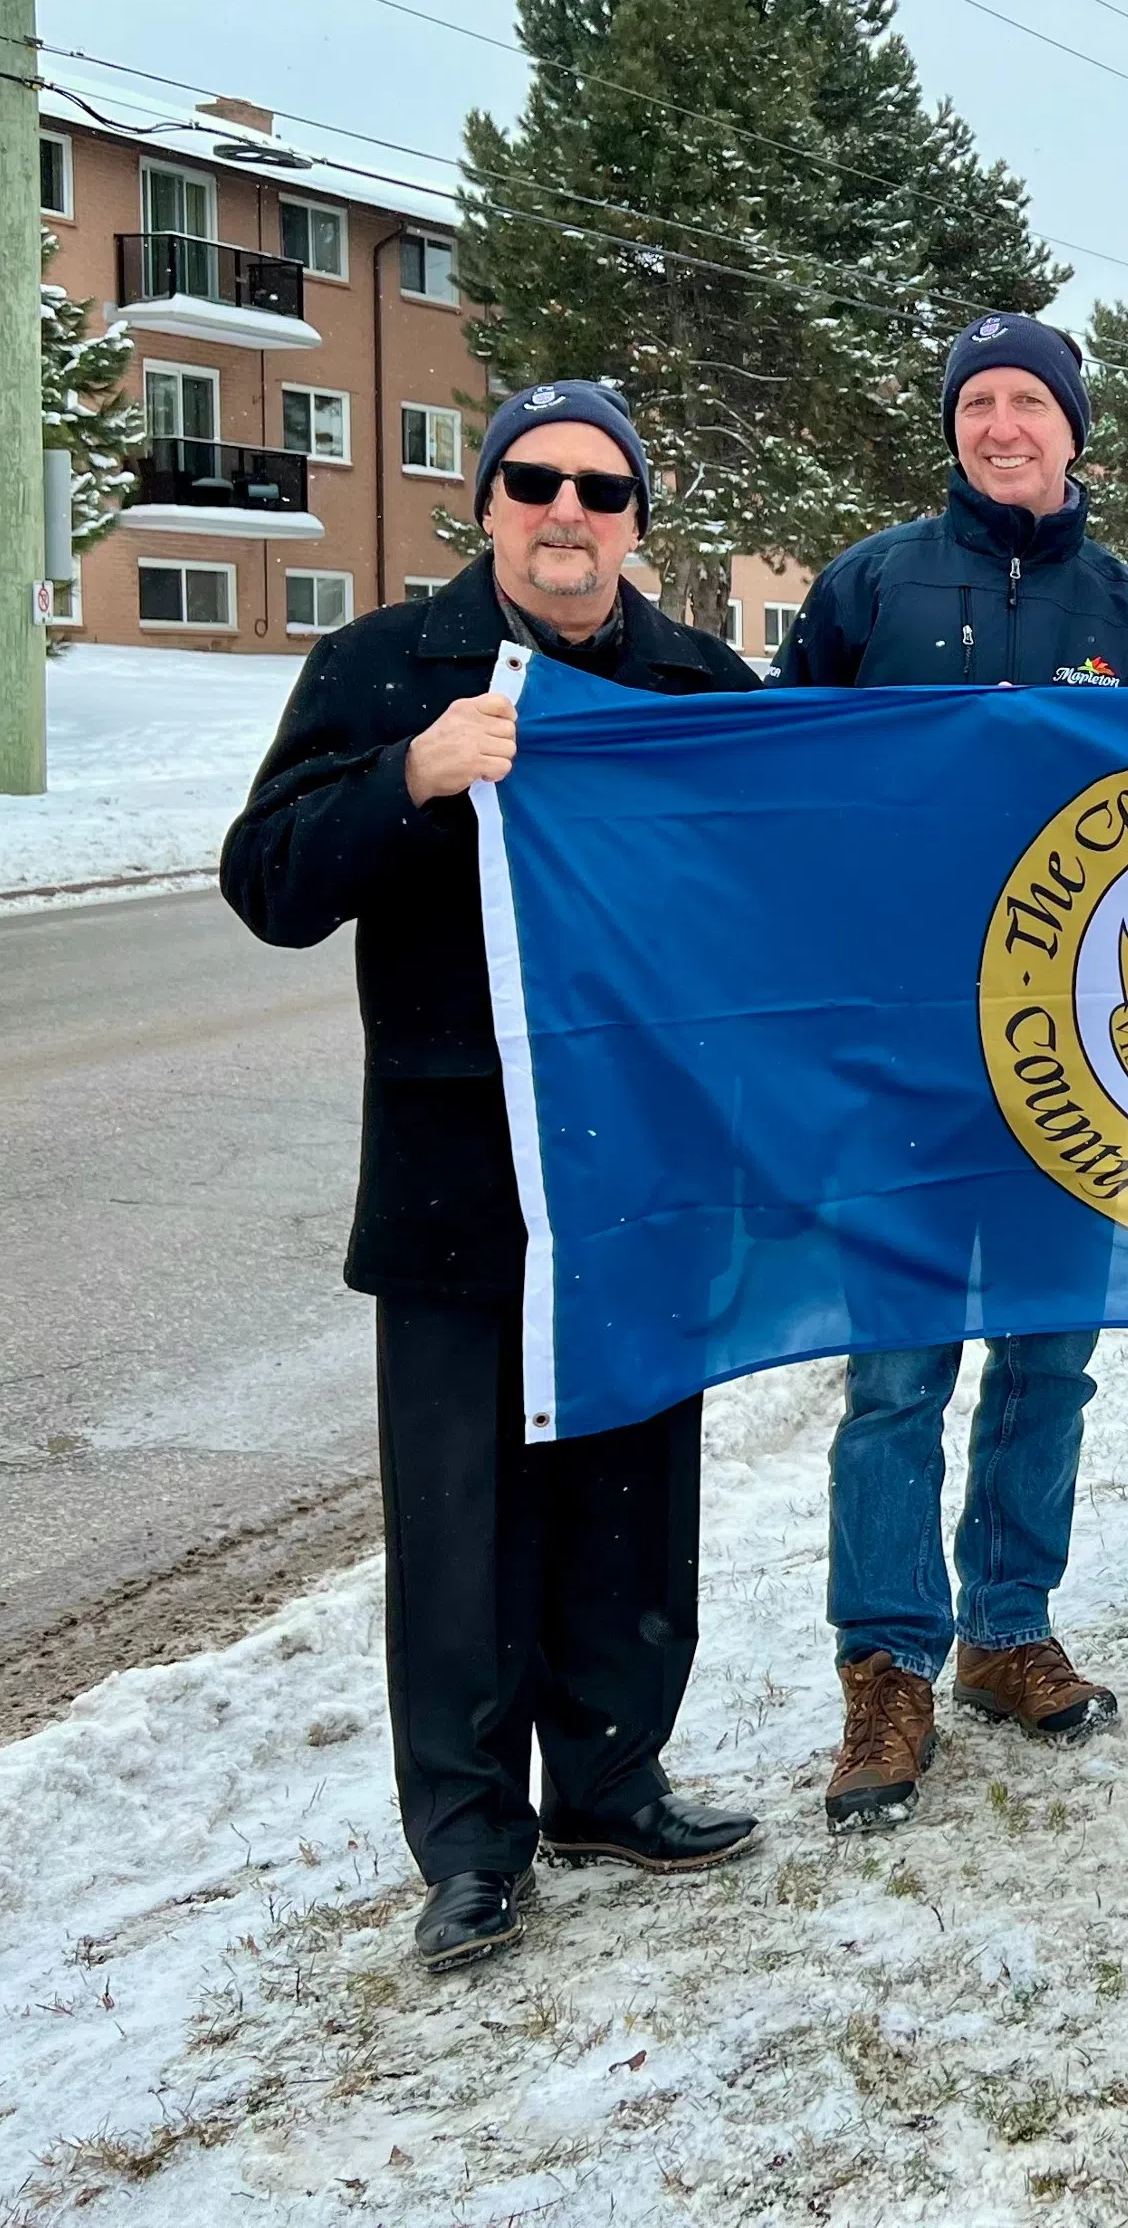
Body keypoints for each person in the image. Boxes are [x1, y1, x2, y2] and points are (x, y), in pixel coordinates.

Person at [222, 379, 763, 1974]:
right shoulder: (381, 668)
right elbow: (268, 883)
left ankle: (609, 1776)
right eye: (536, 482)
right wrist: (410, 777)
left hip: (643, 1167)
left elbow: (767, 900)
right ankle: (470, 1845)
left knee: (631, 1486)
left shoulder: (694, 680)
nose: (568, 513)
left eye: (602, 490)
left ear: (637, 520)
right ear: (487, 501)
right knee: (459, 1517)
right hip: (458, 1172)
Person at [775, 311, 1128, 1831]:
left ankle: (1006, 1623)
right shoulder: (868, 585)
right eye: (979, 401)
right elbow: (776, 786)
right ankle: (884, 1664)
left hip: (1072, 1054)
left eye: (1031, 401)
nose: (1003, 423)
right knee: (894, 1366)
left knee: (1046, 1347)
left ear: (1076, 430)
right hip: (897, 1047)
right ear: (952, 425)